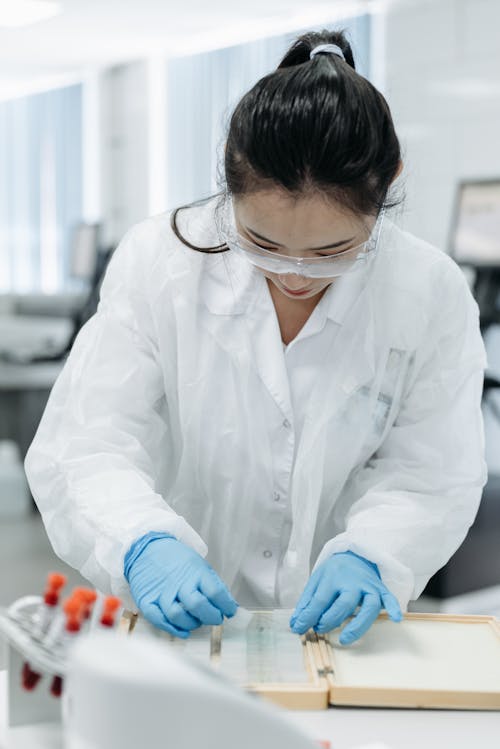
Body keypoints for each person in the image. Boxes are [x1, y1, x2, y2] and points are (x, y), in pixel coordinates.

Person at [25, 30, 487, 646]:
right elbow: (87, 441)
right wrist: (141, 540)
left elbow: (432, 471)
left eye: (332, 252)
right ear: (227, 173)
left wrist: (375, 551)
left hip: (335, 636)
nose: (295, 276)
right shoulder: (162, 262)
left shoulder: (426, 291)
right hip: (176, 622)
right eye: (262, 244)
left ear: (389, 183)